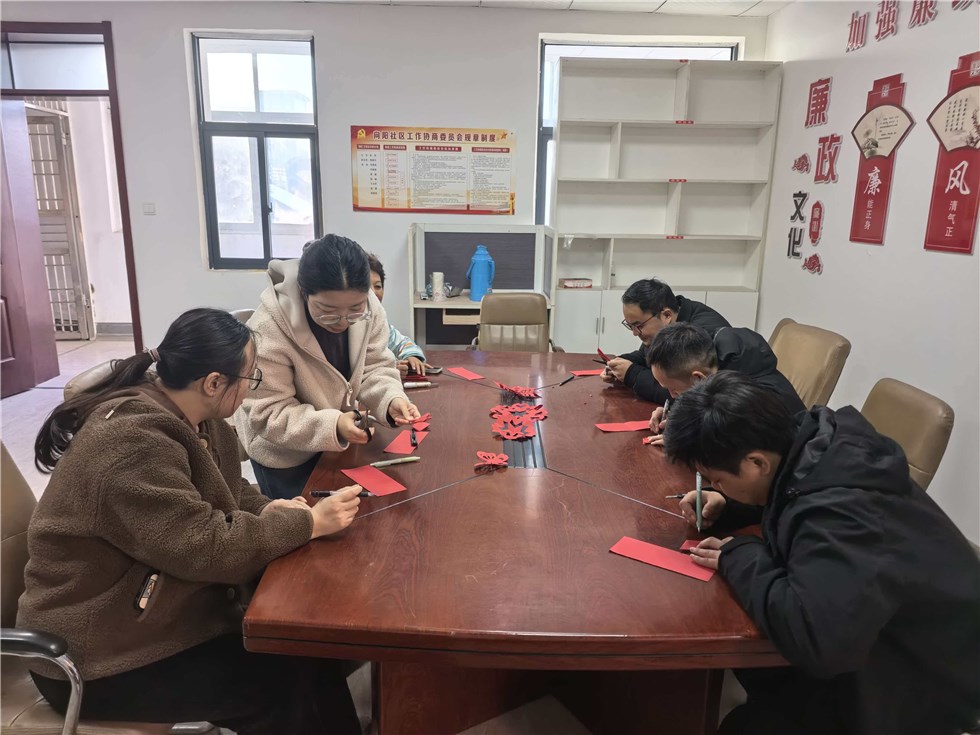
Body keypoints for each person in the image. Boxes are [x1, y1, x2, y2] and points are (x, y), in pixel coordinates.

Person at [20, 308, 363, 734]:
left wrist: (267, 510)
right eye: (250, 377)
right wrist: (307, 525)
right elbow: (205, 548)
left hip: (156, 620)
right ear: (214, 382)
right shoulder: (131, 444)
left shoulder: (198, 419)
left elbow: (228, 490)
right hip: (97, 655)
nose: (250, 387)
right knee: (280, 686)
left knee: (306, 652)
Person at [662, 371, 980, 735]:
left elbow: (819, 643)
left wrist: (740, 555)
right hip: (883, 641)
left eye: (717, 479)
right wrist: (730, 505)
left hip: (920, 685)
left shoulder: (842, 515)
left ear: (757, 463)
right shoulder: (813, 444)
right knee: (752, 671)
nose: (715, 486)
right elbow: (791, 496)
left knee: (747, 724)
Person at [236, 234, 421, 499]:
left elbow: (375, 365)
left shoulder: (370, 307)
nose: (343, 321)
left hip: (335, 442)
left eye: (355, 309)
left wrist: (390, 399)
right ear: (303, 292)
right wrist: (333, 425)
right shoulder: (268, 329)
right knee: (299, 519)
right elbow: (268, 412)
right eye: (327, 311)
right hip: (285, 456)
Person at [645, 323, 804, 442]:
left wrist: (682, 438)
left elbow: (728, 448)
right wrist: (674, 413)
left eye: (673, 389)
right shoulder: (716, 360)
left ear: (699, 378)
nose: (672, 395)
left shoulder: (750, 402)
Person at [601, 278, 730, 404]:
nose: (635, 333)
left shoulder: (700, 336)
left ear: (666, 315)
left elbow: (681, 392)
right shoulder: (668, 323)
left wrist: (631, 374)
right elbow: (647, 355)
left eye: (639, 326)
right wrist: (620, 363)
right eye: (631, 326)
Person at [368, 252, 432, 376]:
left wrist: (411, 356)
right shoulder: (347, 325)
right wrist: (388, 368)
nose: (373, 293)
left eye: (378, 286)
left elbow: (402, 343)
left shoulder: (379, 323)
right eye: (366, 287)